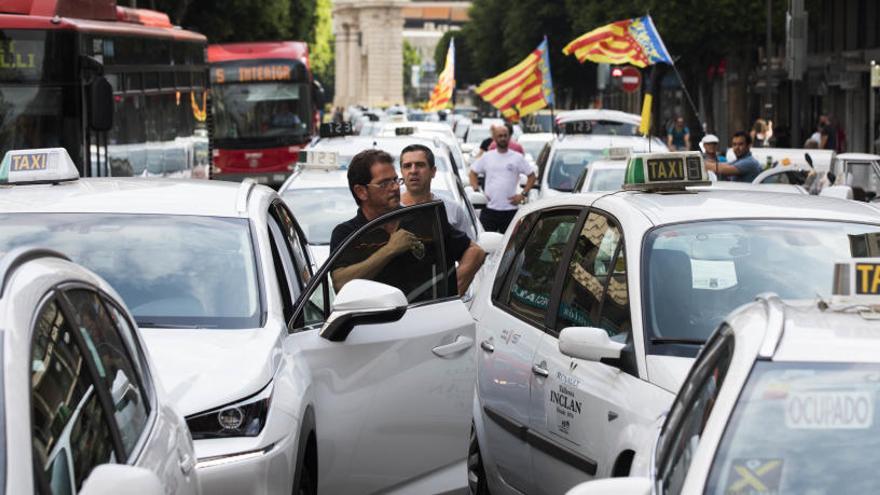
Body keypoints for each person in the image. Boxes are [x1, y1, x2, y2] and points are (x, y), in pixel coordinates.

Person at [330, 149, 485, 296]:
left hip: (428, 320)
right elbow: (340, 283)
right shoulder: (347, 233)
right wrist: (390, 250)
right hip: (374, 322)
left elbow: (475, 252)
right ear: (361, 191)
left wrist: (450, 293)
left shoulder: (425, 219)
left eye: (396, 180)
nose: (395, 187)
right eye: (384, 183)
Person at [399, 143, 476, 240]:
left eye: (420, 165)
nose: (413, 171)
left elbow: (471, 250)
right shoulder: (389, 210)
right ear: (401, 172)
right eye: (407, 166)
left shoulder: (453, 209)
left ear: (433, 171)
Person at [469, 124, 536, 233]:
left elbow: (532, 176)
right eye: (500, 136)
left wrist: (523, 194)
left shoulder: (517, 157)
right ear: (494, 138)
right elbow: (472, 173)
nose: (503, 138)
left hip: (511, 211)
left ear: (509, 137)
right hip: (489, 210)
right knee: (485, 244)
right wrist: (477, 191)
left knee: (511, 247)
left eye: (505, 136)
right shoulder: (487, 156)